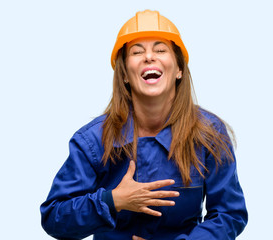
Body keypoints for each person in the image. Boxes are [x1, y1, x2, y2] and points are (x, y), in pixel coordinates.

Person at [40, 10, 248, 240]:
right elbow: (54, 216)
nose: (149, 57)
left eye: (160, 50)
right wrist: (113, 201)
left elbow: (230, 214)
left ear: (179, 69)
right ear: (125, 75)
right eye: (137, 52)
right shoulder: (93, 141)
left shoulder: (210, 134)